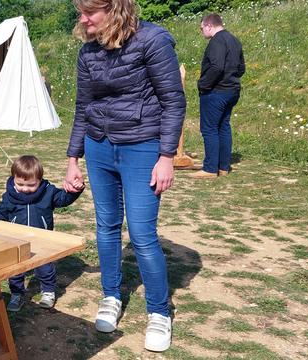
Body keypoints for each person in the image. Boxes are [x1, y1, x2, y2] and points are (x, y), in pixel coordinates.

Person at [65, 0, 185, 352]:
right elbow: (82, 106)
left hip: (142, 146)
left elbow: (173, 102)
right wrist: (73, 157)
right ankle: (111, 295)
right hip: (99, 146)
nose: (83, 20)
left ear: (114, 8)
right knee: (105, 225)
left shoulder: (153, 40)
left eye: (90, 12)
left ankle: (159, 312)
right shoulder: (88, 52)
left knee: (143, 232)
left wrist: (166, 157)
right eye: (81, 13)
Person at [0, 155, 82, 312]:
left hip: (42, 239)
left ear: (40, 180)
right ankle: (17, 294)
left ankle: (48, 292)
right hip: (17, 240)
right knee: (16, 269)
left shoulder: (48, 192)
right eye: (20, 184)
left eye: (31, 185)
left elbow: (63, 199)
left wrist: (74, 191)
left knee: (44, 267)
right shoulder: (9, 196)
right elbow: (0, 212)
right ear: (13, 178)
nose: (25, 189)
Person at [190, 13, 245, 179]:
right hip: (232, 90)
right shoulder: (234, 40)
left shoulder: (217, 41)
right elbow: (241, 68)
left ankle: (210, 169)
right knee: (223, 126)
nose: (202, 32)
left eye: (201, 29)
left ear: (208, 26)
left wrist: (203, 84)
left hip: (216, 91)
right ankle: (223, 167)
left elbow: (216, 67)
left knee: (209, 129)